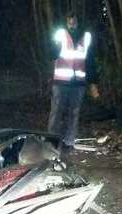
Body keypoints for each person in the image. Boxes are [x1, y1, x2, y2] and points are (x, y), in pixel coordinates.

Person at [48, 12, 99, 151]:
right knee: (56, 113)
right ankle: (51, 142)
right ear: (66, 22)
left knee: (74, 114)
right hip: (61, 82)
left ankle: (69, 143)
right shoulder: (60, 35)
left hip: (78, 83)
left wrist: (93, 83)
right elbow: (51, 54)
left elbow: (90, 62)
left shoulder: (86, 37)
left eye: (74, 21)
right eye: (69, 21)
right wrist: (55, 47)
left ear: (78, 22)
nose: (72, 24)